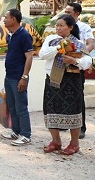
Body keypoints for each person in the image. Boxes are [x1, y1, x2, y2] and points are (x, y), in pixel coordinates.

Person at [38, 14, 92, 155]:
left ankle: (74, 144)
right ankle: (56, 141)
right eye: (57, 25)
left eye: (61, 25)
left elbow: (88, 61)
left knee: (73, 111)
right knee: (50, 109)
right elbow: (43, 55)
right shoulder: (51, 40)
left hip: (71, 82)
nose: (58, 28)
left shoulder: (79, 43)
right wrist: (59, 48)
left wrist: (74, 61)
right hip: (53, 80)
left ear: (71, 27)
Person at [0, 9, 34, 146]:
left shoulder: (24, 35)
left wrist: (24, 77)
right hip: (9, 76)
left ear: (13, 19)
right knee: (12, 106)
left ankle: (26, 135)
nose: (4, 20)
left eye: (6, 17)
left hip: (18, 77)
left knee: (21, 107)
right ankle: (16, 131)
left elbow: (29, 57)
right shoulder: (10, 35)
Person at [64, 2, 94, 139]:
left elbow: (91, 43)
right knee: (62, 93)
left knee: (77, 95)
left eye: (69, 12)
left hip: (77, 65)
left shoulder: (84, 27)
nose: (66, 14)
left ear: (77, 14)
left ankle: (80, 127)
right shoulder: (61, 25)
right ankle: (65, 123)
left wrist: (80, 54)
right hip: (62, 64)